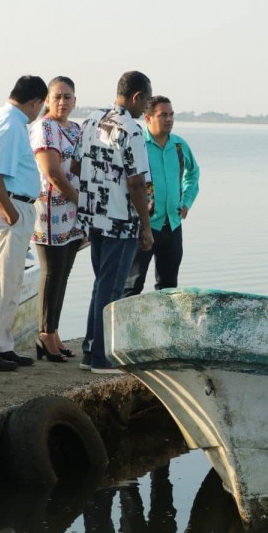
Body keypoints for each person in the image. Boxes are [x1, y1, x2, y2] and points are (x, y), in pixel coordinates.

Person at [72, 71, 153, 374]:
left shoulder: (91, 120)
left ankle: (89, 351)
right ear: (136, 97)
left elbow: (77, 164)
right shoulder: (130, 129)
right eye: (146, 100)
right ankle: (103, 359)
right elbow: (136, 183)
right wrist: (146, 226)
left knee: (101, 285)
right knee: (113, 289)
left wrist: (100, 182)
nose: (146, 108)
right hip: (121, 220)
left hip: (94, 216)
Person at [29, 76, 83, 363]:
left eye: (68, 97)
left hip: (73, 215)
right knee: (51, 272)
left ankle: (54, 331)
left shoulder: (75, 129)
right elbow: (52, 172)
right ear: (47, 100)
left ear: (75, 100)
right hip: (50, 211)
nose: (63, 102)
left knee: (64, 273)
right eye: (57, 97)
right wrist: (78, 199)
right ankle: (44, 335)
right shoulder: (43, 128)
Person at [123, 96, 200, 297]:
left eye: (171, 114)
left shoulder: (179, 146)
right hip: (144, 226)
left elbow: (193, 173)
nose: (169, 119)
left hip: (172, 225)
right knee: (132, 286)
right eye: (163, 115)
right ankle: (125, 327)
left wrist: (187, 202)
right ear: (148, 118)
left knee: (169, 288)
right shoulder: (138, 145)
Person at [0, 75, 48, 372]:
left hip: (16, 205)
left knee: (12, 280)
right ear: (35, 102)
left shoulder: (10, 121)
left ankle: (4, 345)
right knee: (4, 281)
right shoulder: (13, 126)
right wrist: (10, 212)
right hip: (12, 207)